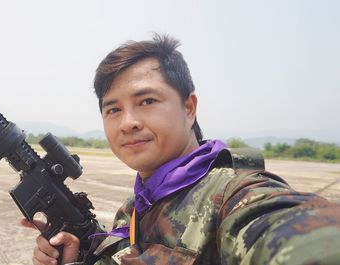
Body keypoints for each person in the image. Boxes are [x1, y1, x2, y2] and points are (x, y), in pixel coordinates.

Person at [21, 34, 340, 264]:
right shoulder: (134, 208)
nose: (127, 122)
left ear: (189, 108)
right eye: (113, 109)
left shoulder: (235, 197)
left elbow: (301, 237)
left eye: (147, 101)